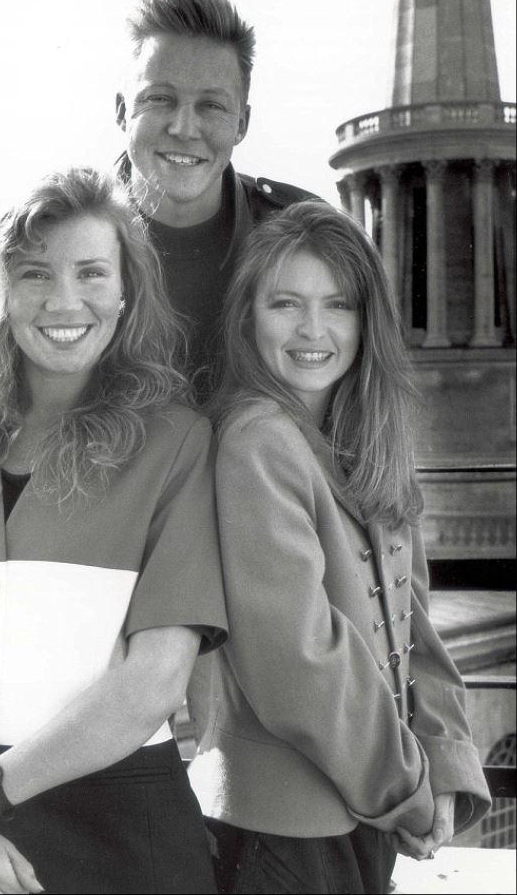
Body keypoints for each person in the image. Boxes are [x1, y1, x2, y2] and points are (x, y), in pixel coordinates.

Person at [0, 167, 226, 894]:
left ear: (126, 289)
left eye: (91, 272)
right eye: (33, 273)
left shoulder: (175, 442)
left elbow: (154, 676)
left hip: (119, 833)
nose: (65, 300)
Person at [186, 201, 492, 894]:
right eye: (285, 303)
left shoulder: (372, 439)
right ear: (246, 317)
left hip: (366, 818)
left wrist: (441, 762)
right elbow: (296, 659)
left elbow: (413, 618)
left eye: (338, 304)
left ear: (366, 319)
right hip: (280, 832)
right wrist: (408, 786)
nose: (313, 330)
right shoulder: (254, 439)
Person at [116, 0, 318, 396]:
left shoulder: (305, 233)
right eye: (159, 98)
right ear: (122, 111)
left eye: (212, 105)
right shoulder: (58, 237)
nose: (184, 128)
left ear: (241, 123)